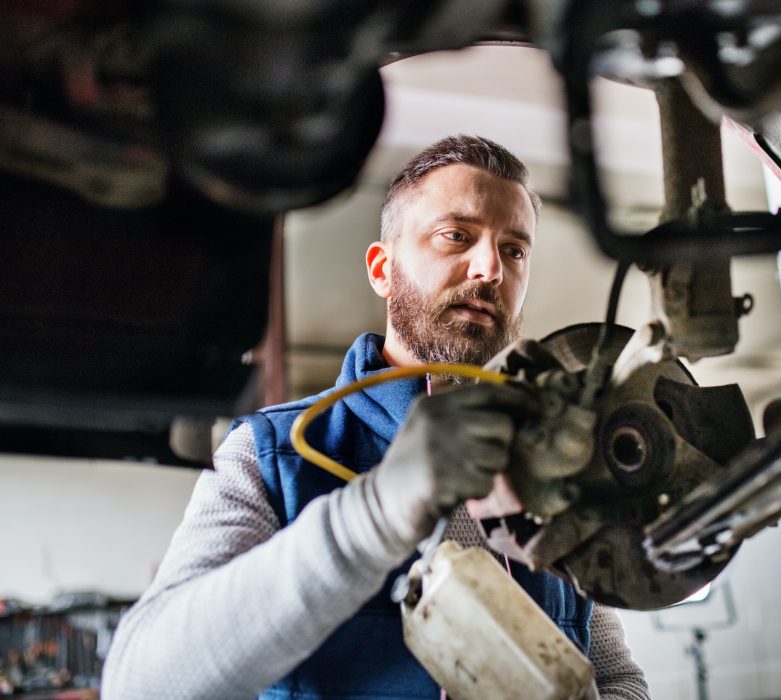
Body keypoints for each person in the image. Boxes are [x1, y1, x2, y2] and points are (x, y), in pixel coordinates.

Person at [101, 135, 650, 699]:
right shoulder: (271, 452)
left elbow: (619, 678)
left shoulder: (561, 472)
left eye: (514, 250)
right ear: (382, 269)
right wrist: (376, 512)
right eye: (455, 236)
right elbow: (140, 685)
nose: (489, 268)